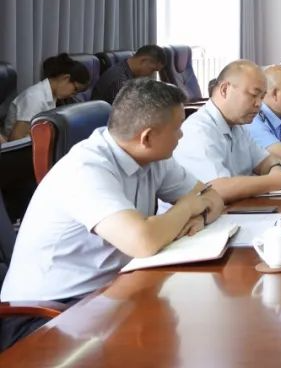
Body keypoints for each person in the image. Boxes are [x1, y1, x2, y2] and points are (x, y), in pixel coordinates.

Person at [0, 79, 225, 349]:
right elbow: (143, 242)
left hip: (107, 296)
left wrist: (199, 217)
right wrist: (187, 207)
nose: (181, 136)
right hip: (45, 316)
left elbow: (212, 197)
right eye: (177, 128)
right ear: (147, 137)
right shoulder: (85, 169)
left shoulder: (153, 157)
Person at [172, 61, 281, 202]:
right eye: (253, 95)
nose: (259, 104)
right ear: (225, 89)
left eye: (262, 97)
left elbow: (267, 161)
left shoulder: (238, 126)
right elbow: (217, 189)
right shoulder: (197, 130)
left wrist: (277, 173)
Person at [2, 53, 91, 141]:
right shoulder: (35, 98)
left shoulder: (52, 96)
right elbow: (16, 138)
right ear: (66, 78)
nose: (73, 95)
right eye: (75, 89)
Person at [92, 45, 167, 103]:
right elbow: (129, 112)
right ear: (143, 61)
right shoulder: (119, 80)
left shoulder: (126, 69)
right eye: (153, 70)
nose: (151, 74)